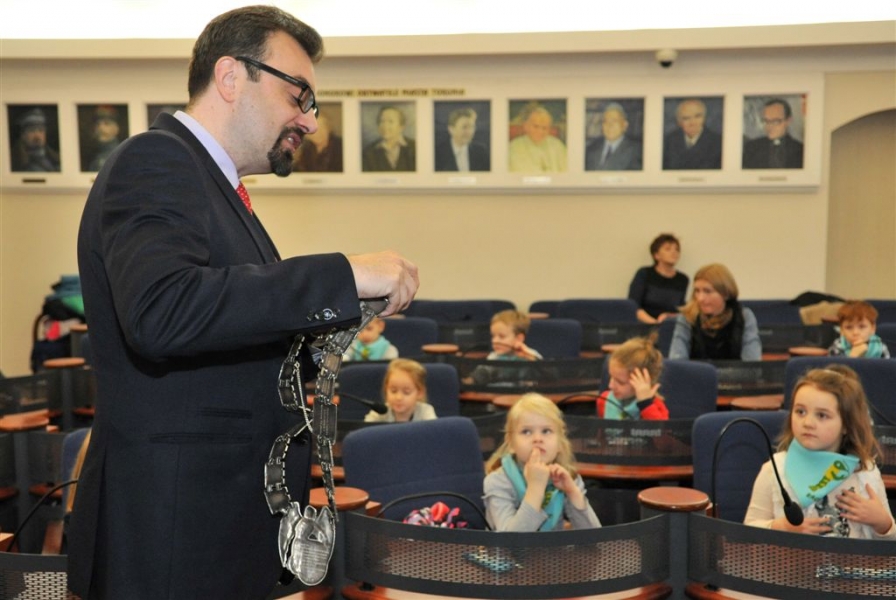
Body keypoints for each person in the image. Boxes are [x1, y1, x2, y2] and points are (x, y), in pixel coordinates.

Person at [70, 6, 419, 600]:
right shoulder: (156, 159)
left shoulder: (212, 184)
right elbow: (162, 311)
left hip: (213, 526)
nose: (310, 121)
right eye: (299, 95)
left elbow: (230, 328)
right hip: (173, 535)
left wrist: (328, 327)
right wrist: (343, 274)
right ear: (231, 76)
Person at [744, 365, 895, 539]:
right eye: (800, 412)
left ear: (846, 424)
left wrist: (882, 522)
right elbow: (747, 533)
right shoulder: (774, 469)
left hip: (852, 558)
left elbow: (890, 544)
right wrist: (781, 527)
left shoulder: (865, 472)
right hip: (792, 557)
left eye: (822, 415)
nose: (808, 423)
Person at [483, 393, 601, 531]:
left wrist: (573, 492)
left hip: (555, 546)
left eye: (546, 431)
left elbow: (594, 538)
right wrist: (536, 488)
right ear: (511, 443)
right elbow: (511, 541)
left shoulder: (566, 477)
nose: (537, 439)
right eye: (526, 432)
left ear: (560, 443)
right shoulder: (498, 481)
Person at [669, 263, 762, 360]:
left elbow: (752, 363)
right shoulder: (688, 317)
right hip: (696, 371)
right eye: (697, 291)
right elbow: (677, 361)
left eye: (707, 291)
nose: (700, 298)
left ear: (726, 294)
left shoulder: (744, 316)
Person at [597, 336, 668, 420]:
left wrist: (645, 404)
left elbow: (659, 428)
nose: (610, 386)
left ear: (644, 381)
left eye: (620, 382)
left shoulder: (655, 407)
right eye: (611, 377)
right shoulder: (605, 401)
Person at [468, 309, 543, 386]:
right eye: (493, 336)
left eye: (502, 336)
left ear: (519, 338)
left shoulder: (531, 354)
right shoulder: (494, 356)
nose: (494, 341)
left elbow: (545, 374)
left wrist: (530, 358)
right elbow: (482, 376)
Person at [628, 233, 689, 324]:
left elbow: (681, 309)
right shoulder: (644, 273)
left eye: (677, 249)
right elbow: (633, 306)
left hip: (670, 325)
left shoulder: (683, 279)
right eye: (668, 249)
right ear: (656, 255)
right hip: (644, 324)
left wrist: (668, 318)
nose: (674, 252)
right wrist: (655, 324)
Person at [363, 358, 436, 423]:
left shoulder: (425, 411)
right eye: (393, 391)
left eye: (406, 392)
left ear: (420, 393)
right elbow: (365, 429)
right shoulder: (380, 412)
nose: (399, 397)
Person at [742, 98, 804, 169]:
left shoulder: (800, 150)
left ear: (788, 121)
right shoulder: (751, 148)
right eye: (766, 121)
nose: (769, 126)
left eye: (775, 121)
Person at [662, 98, 722, 170]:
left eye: (697, 116)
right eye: (686, 118)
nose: (692, 123)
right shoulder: (669, 141)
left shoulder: (718, 142)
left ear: (704, 118)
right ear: (679, 122)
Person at [508, 104, 567, 173]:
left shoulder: (558, 145)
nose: (540, 132)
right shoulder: (514, 147)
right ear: (526, 126)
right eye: (536, 126)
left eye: (544, 128)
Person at [584, 102, 642, 171]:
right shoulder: (590, 149)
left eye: (614, 121)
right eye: (606, 121)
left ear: (625, 125)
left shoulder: (637, 151)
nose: (610, 125)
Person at [434, 107, 490, 171]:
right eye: (464, 127)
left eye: (472, 127)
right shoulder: (437, 153)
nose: (469, 132)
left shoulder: (481, 151)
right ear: (451, 129)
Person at [362, 105, 416, 171]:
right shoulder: (368, 152)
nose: (385, 126)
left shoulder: (415, 147)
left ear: (401, 126)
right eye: (382, 121)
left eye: (390, 121)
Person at [10, 107, 61, 172]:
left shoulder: (56, 158)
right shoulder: (16, 160)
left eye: (41, 130)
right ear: (23, 135)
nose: (37, 135)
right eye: (32, 130)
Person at [86, 105, 124, 172]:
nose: (100, 128)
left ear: (116, 128)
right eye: (98, 124)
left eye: (106, 123)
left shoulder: (120, 155)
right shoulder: (93, 154)